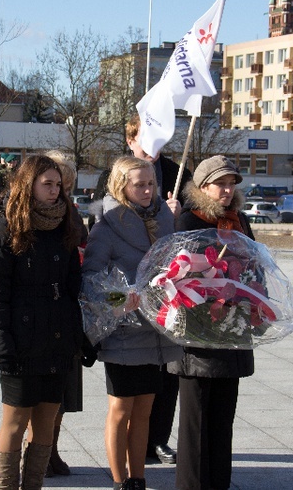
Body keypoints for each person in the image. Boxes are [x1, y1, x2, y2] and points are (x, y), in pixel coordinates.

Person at [0, 154, 83, 490]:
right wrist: (0, 345)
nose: (55, 191)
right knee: (15, 419)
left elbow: (73, 289)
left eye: (59, 185)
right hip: (21, 341)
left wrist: (80, 337)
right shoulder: (4, 228)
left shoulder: (64, 224)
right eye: (47, 184)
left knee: (46, 419)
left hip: (57, 338)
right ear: (29, 184)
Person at [82, 156, 182, 490]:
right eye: (139, 184)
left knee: (144, 411)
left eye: (151, 183)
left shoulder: (165, 220)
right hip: (123, 332)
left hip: (156, 330)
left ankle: (138, 477)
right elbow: (90, 283)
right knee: (121, 409)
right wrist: (120, 301)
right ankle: (119, 479)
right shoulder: (106, 227)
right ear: (121, 185)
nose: (147, 190)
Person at [170, 155, 254, 490]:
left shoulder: (240, 220)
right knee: (197, 421)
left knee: (223, 419)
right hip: (198, 333)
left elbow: (253, 264)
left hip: (232, 329)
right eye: (220, 183)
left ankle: (220, 483)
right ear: (203, 186)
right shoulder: (189, 221)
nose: (227, 189)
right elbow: (175, 273)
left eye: (231, 183)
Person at [126, 112, 192, 465]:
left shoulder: (180, 172)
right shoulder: (116, 175)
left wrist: (177, 216)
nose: (151, 145)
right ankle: (132, 441)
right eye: (143, 138)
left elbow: (195, 223)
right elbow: (105, 221)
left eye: (157, 137)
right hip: (134, 287)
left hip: (170, 289)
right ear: (130, 142)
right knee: (135, 373)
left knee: (168, 370)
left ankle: (159, 438)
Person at [42, 150, 89, 477]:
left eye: (66, 183)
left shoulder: (71, 213)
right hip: (41, 312)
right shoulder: (26, 213)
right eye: (55, 183)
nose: (60, 189)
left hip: (69, 311)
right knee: (40, 393)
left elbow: (83, 248)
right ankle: (37, 451)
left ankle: (51, 449)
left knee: (61, 392)